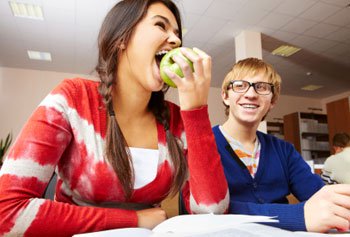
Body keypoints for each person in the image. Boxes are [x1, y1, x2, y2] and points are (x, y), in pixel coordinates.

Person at [0, 1, 229, 236]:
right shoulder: (72, 98)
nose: (176, 40)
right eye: (161, 25)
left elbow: (212, 212)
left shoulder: (175, 120)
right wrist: (134, 219)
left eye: (177, 34)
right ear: (121, 38)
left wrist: (196, 111)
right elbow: (6, 212)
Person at [213, 57, 350, 232]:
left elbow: (318, 194)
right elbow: (209, 211)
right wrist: (296, 216)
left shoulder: (283, 150)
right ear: (225, 96)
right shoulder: (204, 144)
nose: (251, 94)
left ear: (272, 102)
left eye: (262, 87)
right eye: (240, 85)